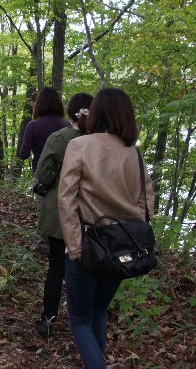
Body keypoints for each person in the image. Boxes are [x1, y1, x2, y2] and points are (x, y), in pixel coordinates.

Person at [57, 88, 154, 368]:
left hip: (88, 242)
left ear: (96, 112)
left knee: (79, 320)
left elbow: (66, 198)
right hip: (123, 244)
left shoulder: (80, 145)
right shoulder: (133, 153)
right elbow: (148, 202)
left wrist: (74, 246)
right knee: (99, 312)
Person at [33, 92, 94, 338]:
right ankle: (85, 320)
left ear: (71, 113)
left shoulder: (59, 139)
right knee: (87, 269)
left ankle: (48, 319)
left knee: (56, 268)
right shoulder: (101, 142)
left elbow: (44, 173)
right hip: (93, 216)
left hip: (62, 215)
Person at [18, 87, 71, 254]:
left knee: (44, 208)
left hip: (41, 174)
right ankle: (65, 243)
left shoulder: (33, 125)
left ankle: (45, 245)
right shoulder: (66, 125)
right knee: (64, 207)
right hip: (66, 174)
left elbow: (24, 154)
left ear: (38, 104)